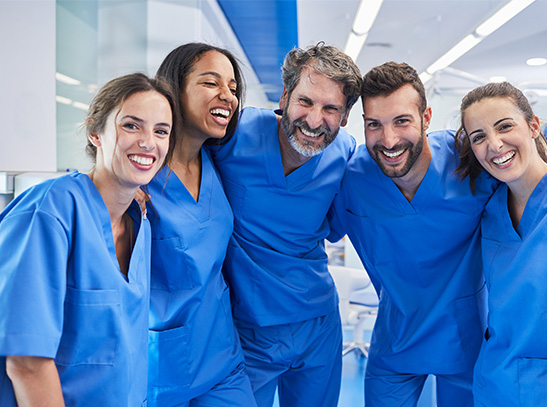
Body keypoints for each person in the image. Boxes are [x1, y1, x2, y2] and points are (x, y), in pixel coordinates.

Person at [327, 62, 498, 407]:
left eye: (402, 121)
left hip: (467, 340)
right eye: (374, 125)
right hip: (396, 339)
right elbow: (304, 230)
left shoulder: (471, 163)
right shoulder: (353, 177)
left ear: (426, 116)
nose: (388, 140)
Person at [0, 73, 175, 407]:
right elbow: (26, 362)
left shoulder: (141, 226)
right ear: (96, 133)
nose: (148, 142)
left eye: (161, 131)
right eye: (131, 126)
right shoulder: (50, 212)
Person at [209, 43, 362, 407]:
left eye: (330, 109)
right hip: (248, 328)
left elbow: (337, 225)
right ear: (284, 95)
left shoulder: (344, 155)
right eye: (306, 101)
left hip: (318, 325)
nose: (313, 120)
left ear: (344, 117)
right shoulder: (234, 135)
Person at [146, 43, 257, 407]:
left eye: (233, 88)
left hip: (223, 356)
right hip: (162, 367)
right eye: (211, 83)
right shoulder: (140, 178)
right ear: (173, 90)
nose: (227, 96)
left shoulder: (216, 163)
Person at [455, 82, 547, 407]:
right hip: (495, 387)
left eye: (505, 126)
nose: (494, 144)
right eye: (478, 136)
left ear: (533, 125)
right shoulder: (490, 212)